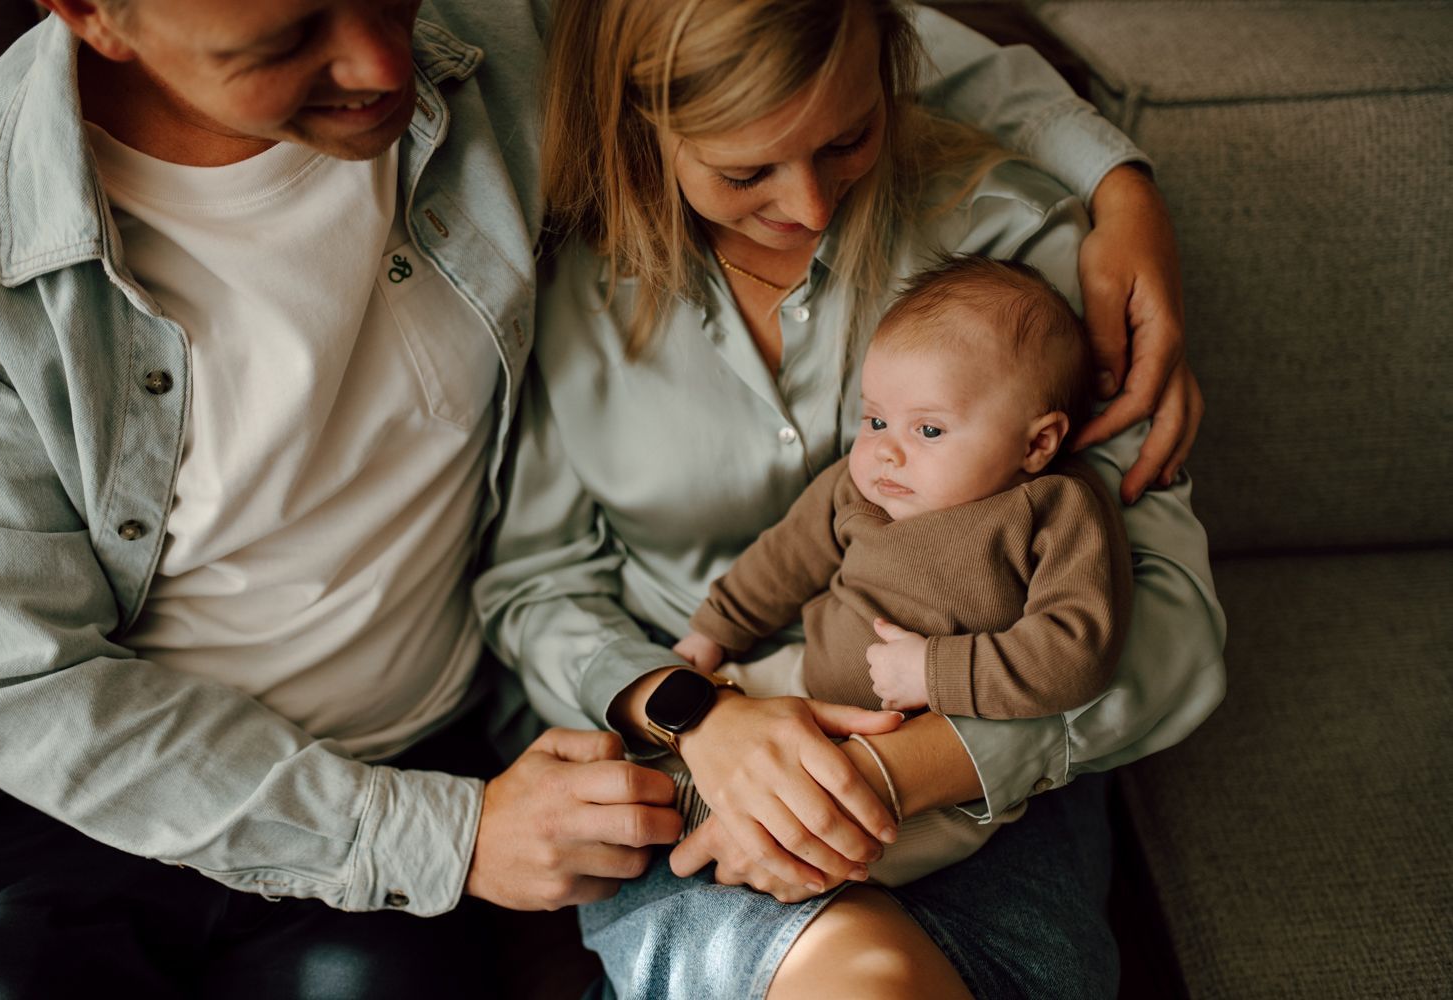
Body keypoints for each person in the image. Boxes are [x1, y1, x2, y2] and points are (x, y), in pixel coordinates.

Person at [0, 0, 1207, 995]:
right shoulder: (580, 256)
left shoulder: (484, 47)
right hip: (145, 801)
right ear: (87, 12)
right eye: (286, 39)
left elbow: (816, 37)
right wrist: (682, 717)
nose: (387, 61)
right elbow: (25, 683)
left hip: (935, 772)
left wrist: (1117, 179)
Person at [475, 1, 1225, 998]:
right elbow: (537, 581)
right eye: (746, 171)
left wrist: (895, 772)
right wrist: (698, 715)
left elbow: (1164, 617)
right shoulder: (568, 283)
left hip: (987, 774)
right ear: (638, 124)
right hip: (699, 768)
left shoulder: (1012, 243)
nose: (816, 205)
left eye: (848, 137)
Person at [664, 253, 1134, 888]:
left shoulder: (1054, 509)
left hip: (925, 753)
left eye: (930, 429)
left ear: (1036, 444)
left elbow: (1076, 650)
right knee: (690, 728)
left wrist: (934, 671)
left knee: (831, 843)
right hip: (802, 680)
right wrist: (713, 629)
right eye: (876, 419)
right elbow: (784, 560)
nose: (886, 448)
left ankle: (741, 857)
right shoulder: (859, 490)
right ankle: (663, 803)